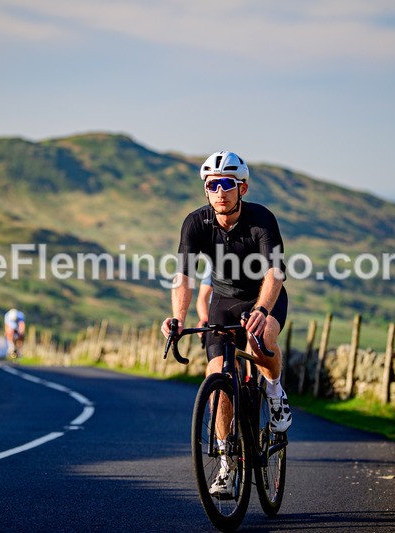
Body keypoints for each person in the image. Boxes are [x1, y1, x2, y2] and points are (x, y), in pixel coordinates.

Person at [161, 150, 292, 498]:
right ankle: (226, 464)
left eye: (226, 184)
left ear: (242, 188)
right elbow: (183, 276)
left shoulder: (261, 219)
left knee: (262, 342)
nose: (219, 191)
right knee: (217, 374)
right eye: (212, 184)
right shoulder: (195, 223)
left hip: (265, 296)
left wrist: (262, 309)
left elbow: (275, 272)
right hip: (224, 301)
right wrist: (178, 319)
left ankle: (275, 393)